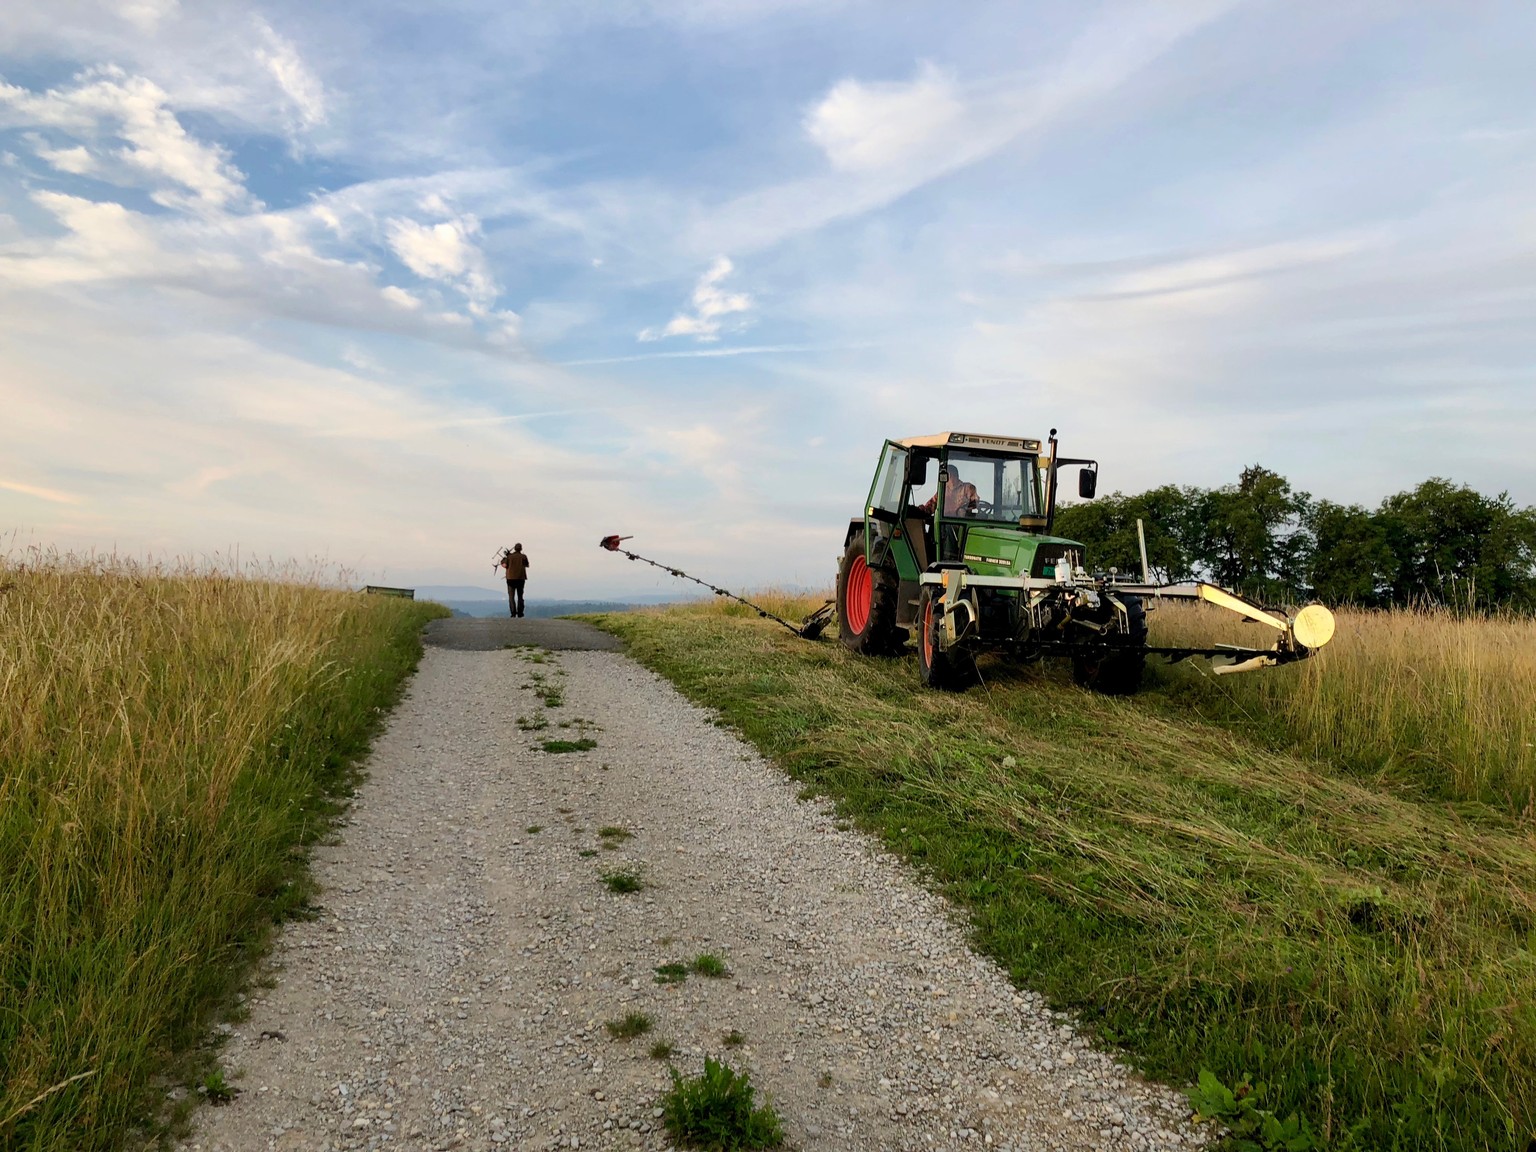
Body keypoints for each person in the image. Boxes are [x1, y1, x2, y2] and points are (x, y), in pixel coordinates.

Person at [499, 543, 530, 617]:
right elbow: (527, 565)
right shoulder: (523, 556)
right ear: (521, 549)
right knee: (520, 596)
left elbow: (504, 565)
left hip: (510, 579)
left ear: (514, 549)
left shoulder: (509, 557)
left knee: (511, 597)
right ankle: (520, 613)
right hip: (520, 578)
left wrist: (504, 559)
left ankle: (513, 613)